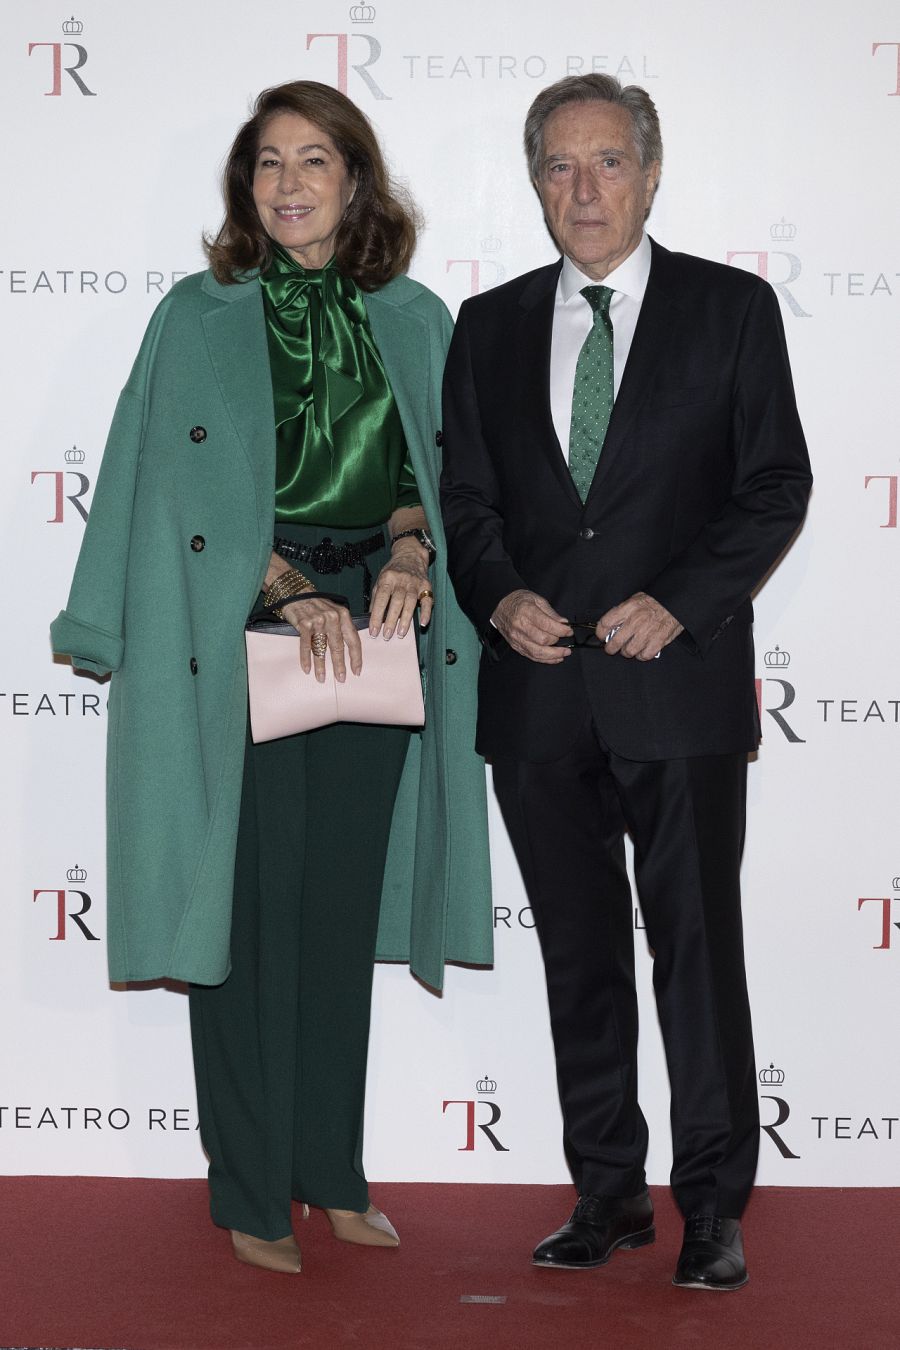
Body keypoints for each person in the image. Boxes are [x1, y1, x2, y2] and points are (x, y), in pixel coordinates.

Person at [51, 80, 491, 1275]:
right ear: (245, 188)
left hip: (378, 635)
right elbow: (157, 476)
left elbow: (439, 475)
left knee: (338, 918)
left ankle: (328, 1172)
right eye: (266, 165)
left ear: (358, 182)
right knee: (240, 919)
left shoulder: (414, 316)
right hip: (236, 631)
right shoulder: (194, 315)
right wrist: (271, 584)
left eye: (315, 161)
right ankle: (247, 1190)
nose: (289, 184)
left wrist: (412, 547)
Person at [440, 74, 811, 1291]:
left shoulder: (731, 309)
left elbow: (774, 485)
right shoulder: (485, 325)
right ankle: (607, 1193)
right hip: (540, 691)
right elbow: (470, 501)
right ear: (535, 181)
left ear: (652, 174)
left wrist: (686, 600)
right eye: (559, 165)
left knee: (699, 953)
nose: (583, 189)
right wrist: (496, 596)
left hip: (680, 686)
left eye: (608, 162)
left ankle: (711, 1206)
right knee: (579, 958)